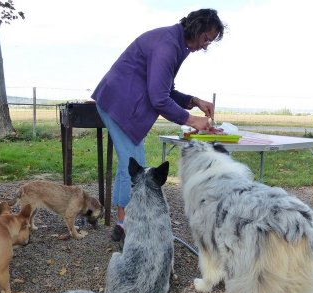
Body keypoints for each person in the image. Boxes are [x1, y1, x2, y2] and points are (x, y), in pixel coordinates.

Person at [92, 8, 225, 242]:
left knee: (133, 162)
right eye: (206, 38)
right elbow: (159, 99)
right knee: (132, 165)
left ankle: (124, 223)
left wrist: (193, 101)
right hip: (119, 104)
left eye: (210, 42)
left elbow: (167, 90)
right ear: (196, 28)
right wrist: (193, 120)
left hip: (127, 105)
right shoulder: (167, 46)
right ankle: (125, 226)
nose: (205, 46)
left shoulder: (175, 43)